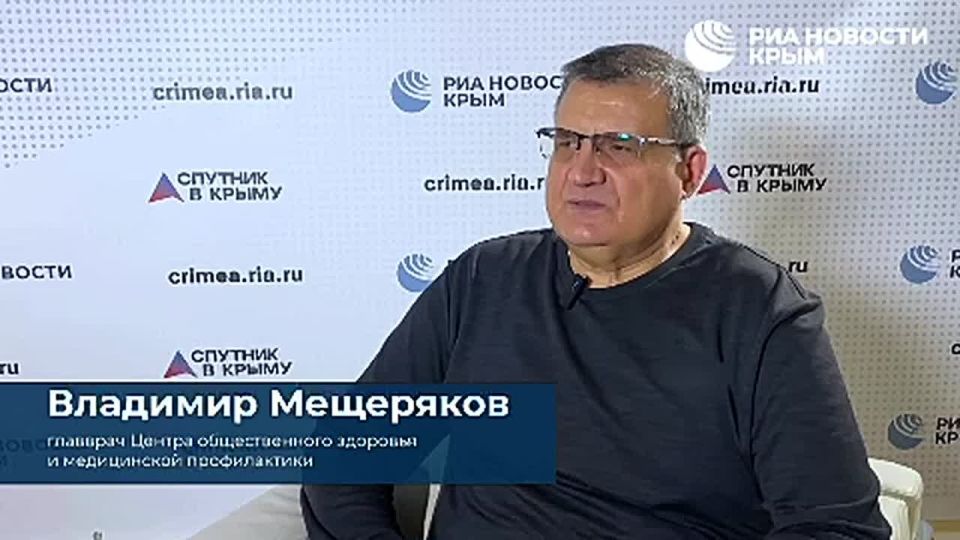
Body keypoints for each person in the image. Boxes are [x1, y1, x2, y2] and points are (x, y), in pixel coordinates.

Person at [301, 43, 891, 539]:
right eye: (568, 142)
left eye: (619, 146)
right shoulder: (483, 280)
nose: (582, 172)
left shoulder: (759, 310)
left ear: (689, 172)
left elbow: (837, 527)